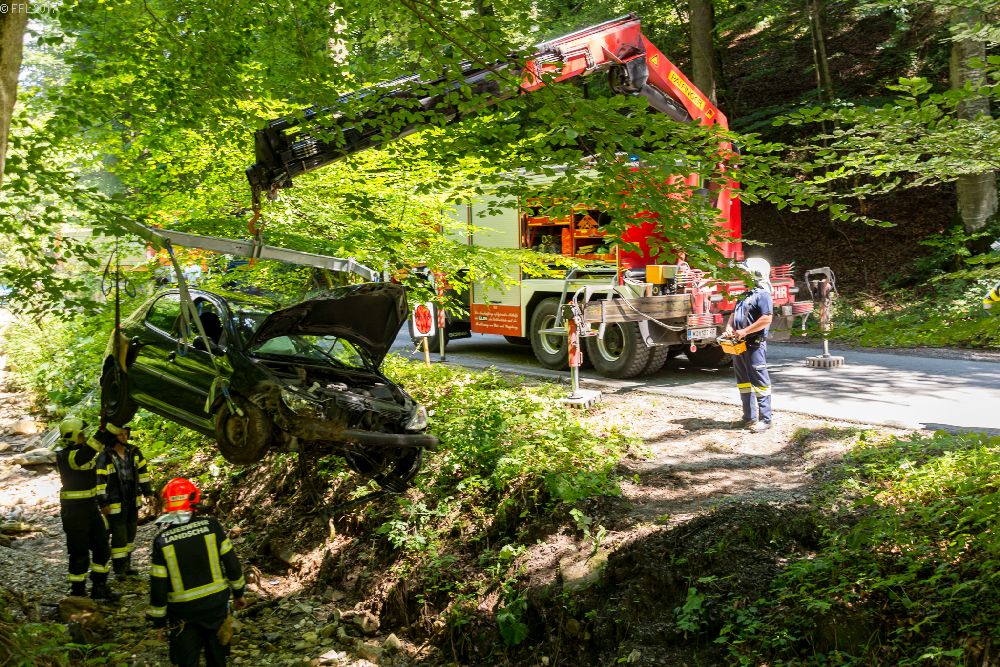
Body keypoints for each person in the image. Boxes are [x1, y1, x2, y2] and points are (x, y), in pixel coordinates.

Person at [148, 478, 247, 667]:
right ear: (194, 500)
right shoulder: (212, 526)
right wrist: (239, 593)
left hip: (183, 614)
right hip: (215, 608)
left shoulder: (162, 540)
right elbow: (232, 564)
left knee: (187, 662)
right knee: (217, 659)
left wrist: (159, 623)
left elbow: (158, 585)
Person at [54, 417, 118, 601]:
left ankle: (99, 587)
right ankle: (78, 591)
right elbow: (88, 453)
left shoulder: (81, 452)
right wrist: (102, 433)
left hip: (90, 508)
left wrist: (109, 430)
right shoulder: (66, 456)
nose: (84, 437)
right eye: (81, 434)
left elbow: (93, 451)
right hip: (74, 512)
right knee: (79, 552)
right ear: (73, 436)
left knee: (102, 547)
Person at [96, 423, 153, 578]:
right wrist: (103, 503)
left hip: (132, 501)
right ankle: (119, 569)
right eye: (120, 434)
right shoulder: (105, 456)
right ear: (113, 437)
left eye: (125, 434)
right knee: (119, 536)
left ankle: (127, 566)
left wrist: (148, 493)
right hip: (115, 503)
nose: (124, 437)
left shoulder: (134, 452)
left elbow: (143, 474)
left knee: (130, 534)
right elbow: (99, 482)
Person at [726, 257, 774, 432]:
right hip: (739, 344)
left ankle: (766, 420)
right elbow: (734, 313)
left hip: (754, 345)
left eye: (745, 272)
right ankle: (748, 417)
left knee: (760, 383)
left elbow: (767, 319)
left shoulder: (763, 295)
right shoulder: (745, 294)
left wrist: (745, 331)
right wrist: (729, 326)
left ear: (756, 273)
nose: (742, 275)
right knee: (744, 382)